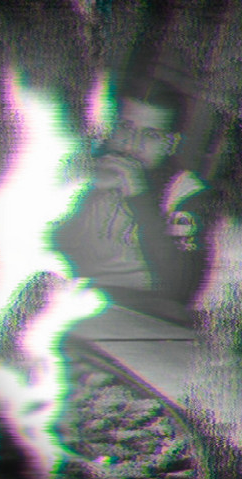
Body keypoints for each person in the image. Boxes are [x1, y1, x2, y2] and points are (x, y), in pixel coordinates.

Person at [54, 73, 211, 324]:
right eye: (125, 128)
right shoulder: (88, 165)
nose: (132, 144)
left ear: (171, 144)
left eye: (150, 135)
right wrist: (78, 189)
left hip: (133, 316)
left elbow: (180, 291)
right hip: (69, 303)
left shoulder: (186, 193)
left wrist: (139, 195)